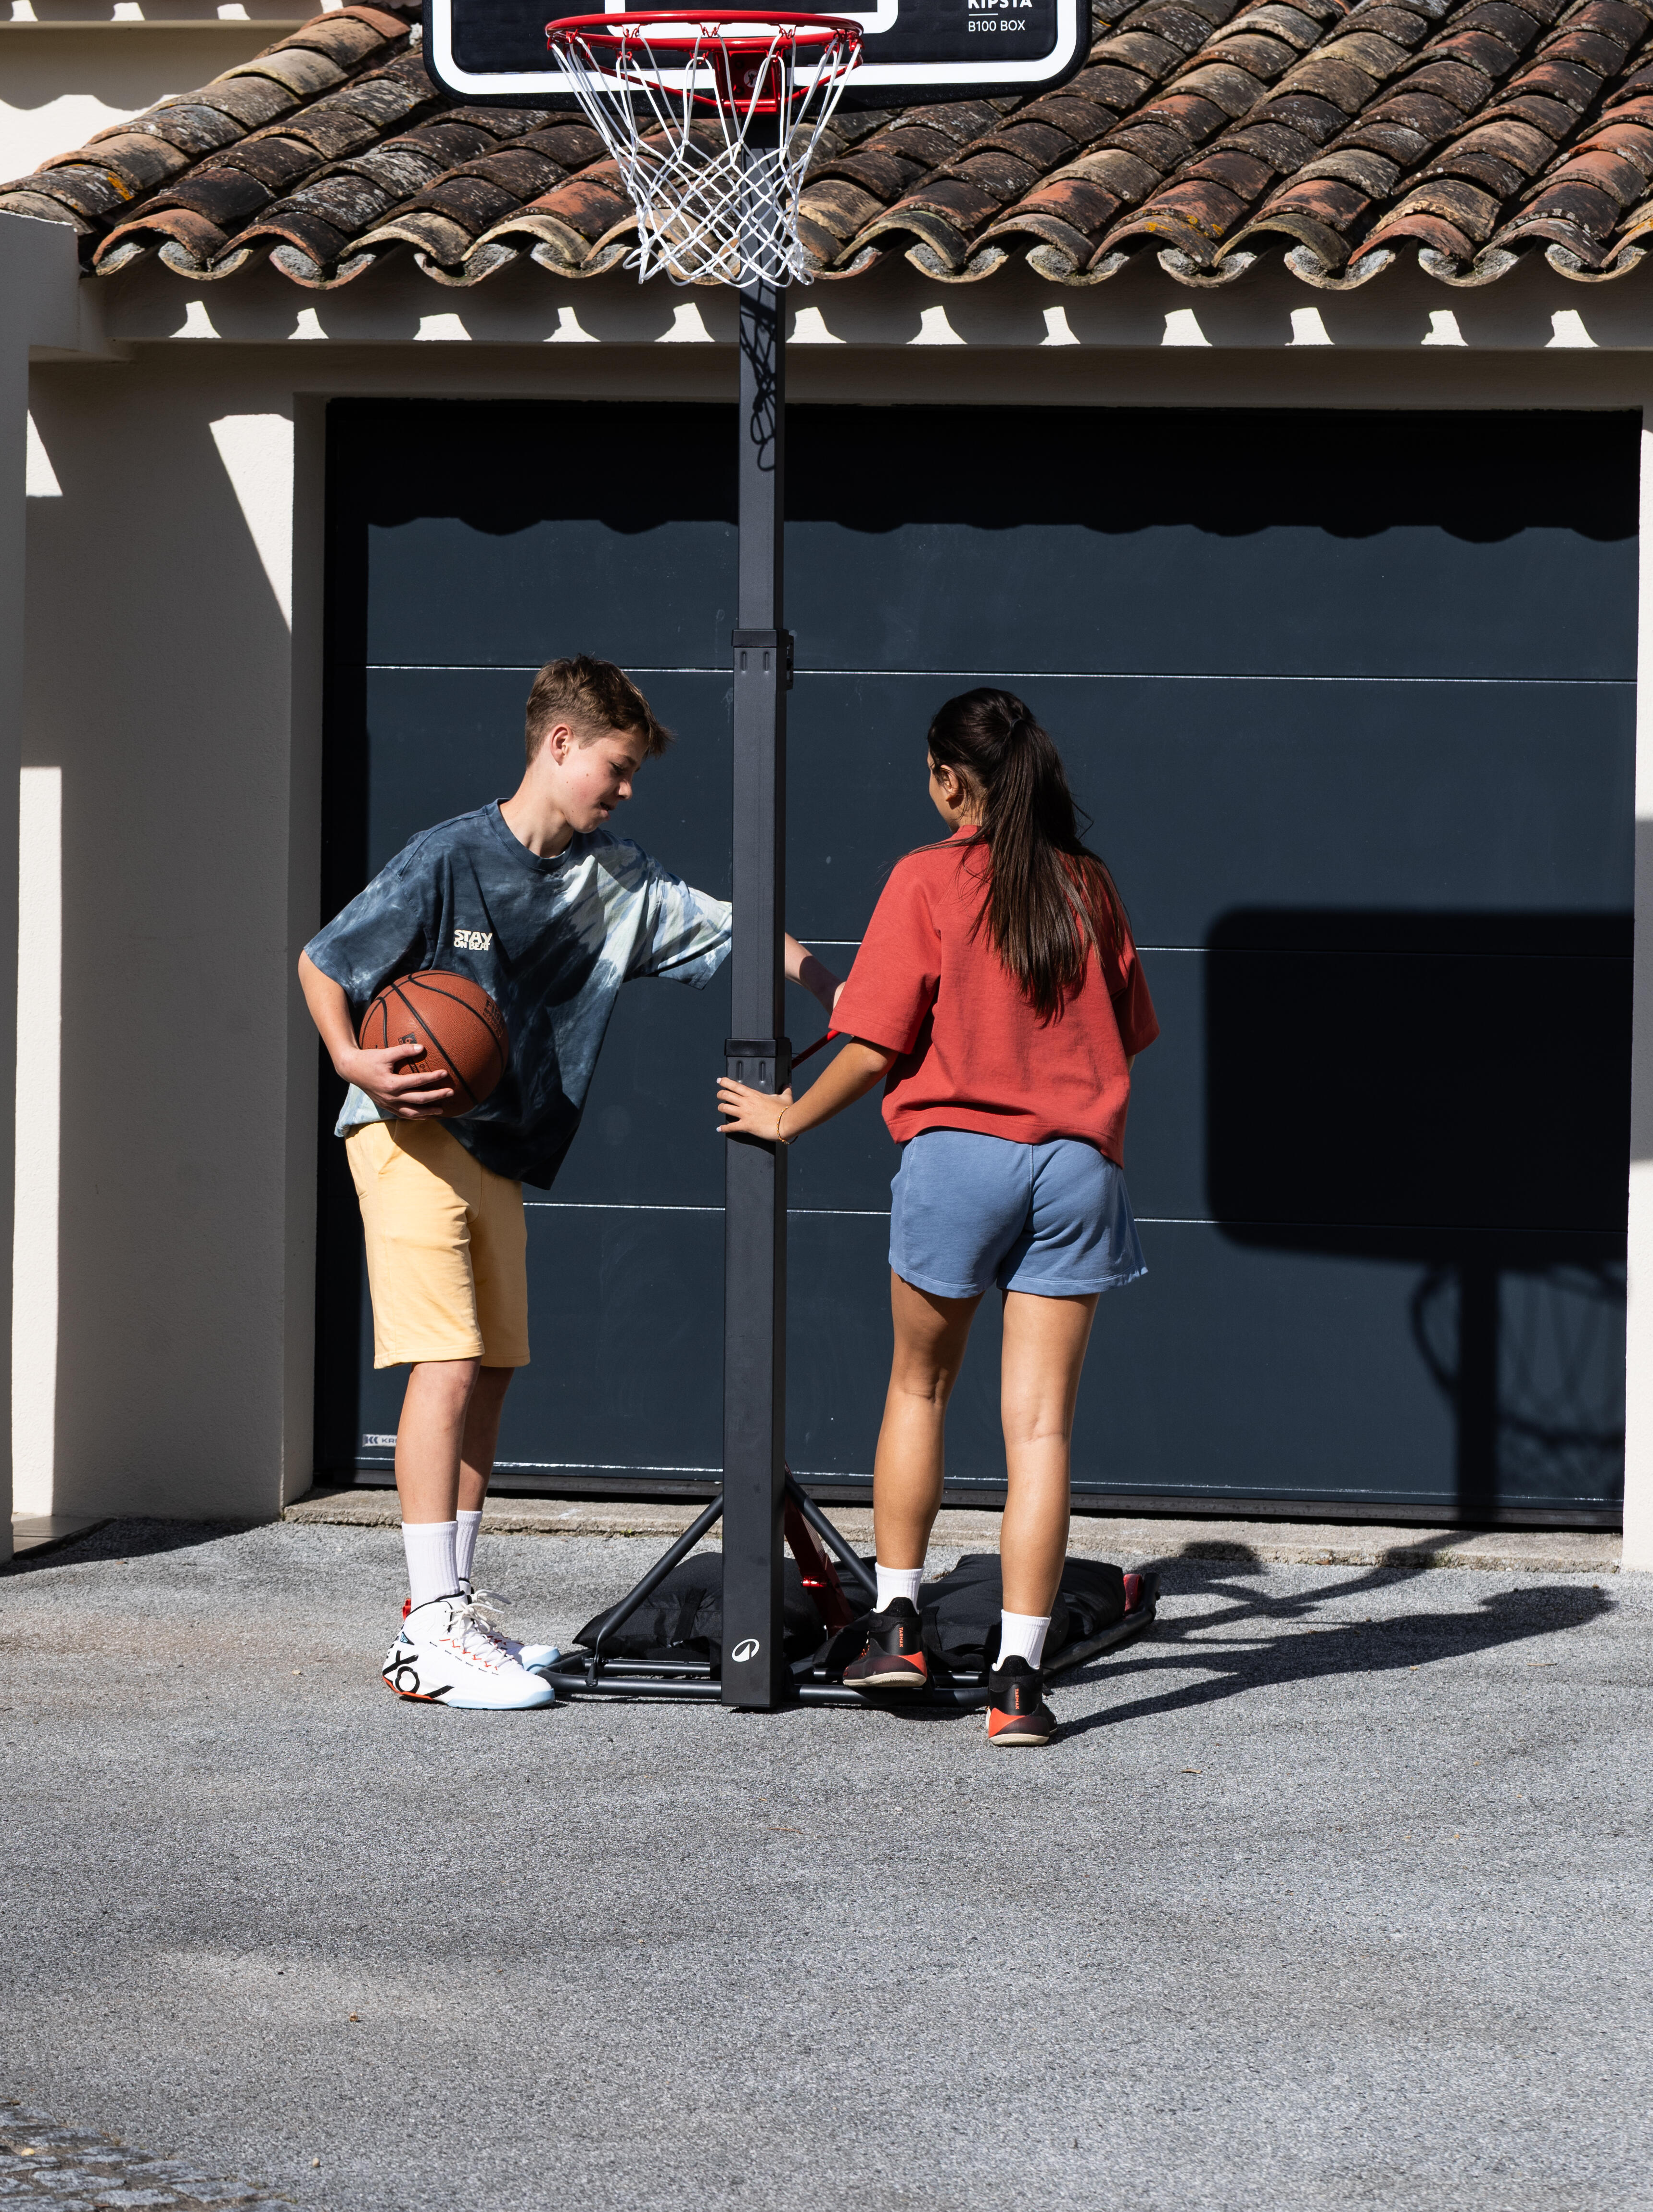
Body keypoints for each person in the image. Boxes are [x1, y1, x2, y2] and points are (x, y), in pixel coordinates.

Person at [302, 653, 837, 1710]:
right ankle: (424, 1635)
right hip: (405, 1130)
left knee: (491, 1369)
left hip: (497, 1147)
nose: (625, 789)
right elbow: (328, 960)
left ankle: (447, 1606)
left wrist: (835, 989)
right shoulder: (450, 855)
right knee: (446, 1362)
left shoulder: (617, 882)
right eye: (617, 766)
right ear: (559, 745)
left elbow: (734, 927)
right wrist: (348, 1057)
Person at [716, 688, 1156, 1748]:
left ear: (950, 782)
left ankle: (897, 1625)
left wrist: (785, 1118)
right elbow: (1125, 1029)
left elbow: (870, 1046)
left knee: (919, 1385)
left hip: (957, 1163)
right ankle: (1016, 1683)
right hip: (1074, 1170)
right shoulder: (1086, 886)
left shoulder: (923, 878)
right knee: (1039, 1428)